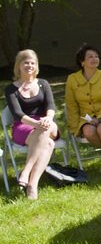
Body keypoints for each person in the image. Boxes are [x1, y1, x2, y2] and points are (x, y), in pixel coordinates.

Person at [4, 49, 59, 200]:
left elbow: (51, 106)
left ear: (36, 66)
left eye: (33, 63)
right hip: (23, 125)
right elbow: (17, 114)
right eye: (26, 62)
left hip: (47, 122)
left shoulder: (43, 83)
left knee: (45, 128)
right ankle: (33, 186)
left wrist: (47, 118)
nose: (29, 66)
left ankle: (26, 171)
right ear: (19, 66)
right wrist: (35, 123)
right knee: (48, 144)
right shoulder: (11, 89)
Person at [65, 44, 101, 154]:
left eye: (97, 56)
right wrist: (75, 129)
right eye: (90, 56)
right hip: (86, 119)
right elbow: (71, 106)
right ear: (82, 61)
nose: (95, 59)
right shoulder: (72, 79)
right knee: (89, 132)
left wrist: (98, 119)